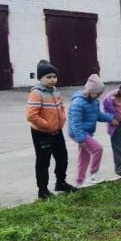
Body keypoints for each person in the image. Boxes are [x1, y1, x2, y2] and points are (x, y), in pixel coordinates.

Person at [25, 59, 77, 199]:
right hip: (42, 134)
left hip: (57, 132)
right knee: (43, 161)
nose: (53, 80)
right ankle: (42, 190)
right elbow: (31, 116)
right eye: (48, 77)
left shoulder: (55, 92)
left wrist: (62, 119)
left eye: (54, 76)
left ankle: (61, 182)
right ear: (40, 78)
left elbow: (61, 107)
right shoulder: (36, 93)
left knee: (62, 158)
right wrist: (48, 126)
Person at [68, 74, 116, 187]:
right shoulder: (78, 103)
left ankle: (79, 182)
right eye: (97, 93)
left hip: (86, 133)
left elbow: (98, 115)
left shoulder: (94, 101)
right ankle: (93, 175)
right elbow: (75, 123)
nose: (99, 96)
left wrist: (110, 118)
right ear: (90, 91)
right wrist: (80, 139)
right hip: (77, 133)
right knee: (97, 149)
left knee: (84, 156)